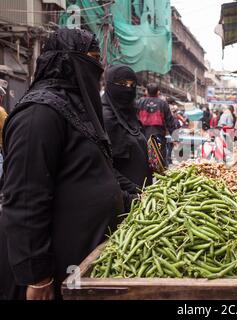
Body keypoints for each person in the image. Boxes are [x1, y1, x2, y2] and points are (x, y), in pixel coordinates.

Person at [0, 28, 124, 300]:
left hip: (78, 263)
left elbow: (94, 170)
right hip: (50, 271)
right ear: (68, 61)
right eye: (91, 59)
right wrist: (37, 275)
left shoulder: (74, 111)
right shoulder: (38, 114)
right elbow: (24, 198)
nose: (98, 69)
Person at [102, 64, 152, 196]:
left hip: (142, 197)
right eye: (122, 84)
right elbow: (104, 166)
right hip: (122, 198)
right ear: (110, 84)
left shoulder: (130, 115)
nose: (128, 90)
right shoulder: (104, 117)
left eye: (132, 85)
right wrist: (135, 190)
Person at [136, 84, 177, 166]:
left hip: (142, 137)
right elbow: (170, 121)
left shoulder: (139, 102)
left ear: (146, 91)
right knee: (160, 161)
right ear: (158, 92)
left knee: (144, 160)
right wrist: (175, 138)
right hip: (159, 137)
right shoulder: (163, 104)